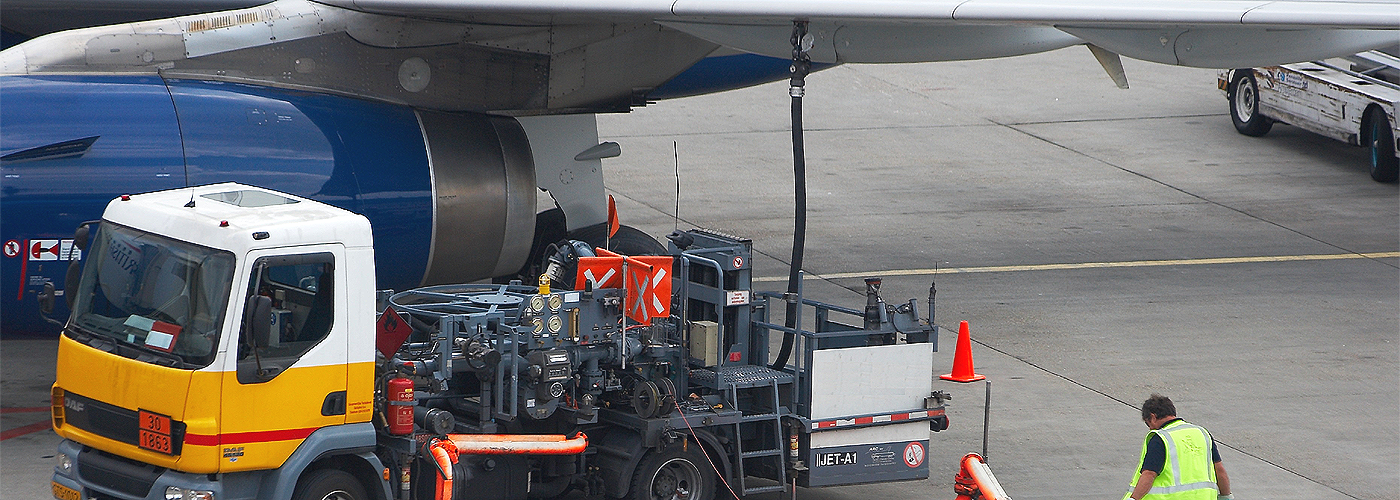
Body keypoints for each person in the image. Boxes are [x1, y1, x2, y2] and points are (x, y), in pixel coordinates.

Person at [1125, 394, 1232, 500]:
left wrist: (1133, 499)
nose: (1150, 429)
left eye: (1148, 424)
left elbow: (1149, 474)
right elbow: (1219, 469)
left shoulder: (1161, 438)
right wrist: (1226, 496)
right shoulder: (1202, 433)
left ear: (1152, 417)